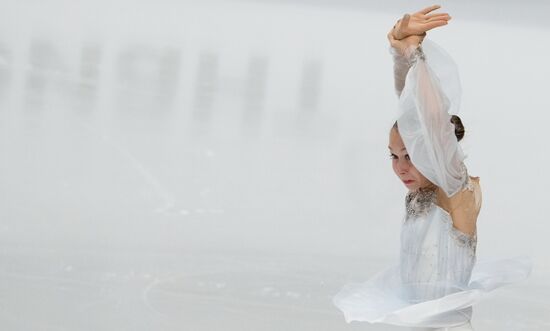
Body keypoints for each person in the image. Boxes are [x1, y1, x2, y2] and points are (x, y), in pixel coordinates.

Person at [332, 5, 532, 330]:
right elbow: (411, 108)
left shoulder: (453, 188)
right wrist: (399, 53)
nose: (400, 167)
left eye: (409, 155)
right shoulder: (422, 192)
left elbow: (430, 119)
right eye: (393, 156)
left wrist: (413, 52)